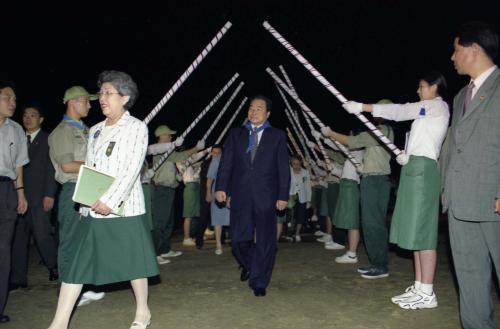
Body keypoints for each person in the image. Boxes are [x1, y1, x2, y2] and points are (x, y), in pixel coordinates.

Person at [47, 70, 159, 329]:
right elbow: (93, 168)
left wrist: (111, 199)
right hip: (92, 207)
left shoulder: (136, 127)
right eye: (102, 94)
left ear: (125, 97)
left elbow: (131, 169)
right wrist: (84, 199)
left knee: (134, 262)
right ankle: (59, 323)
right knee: (77, 264)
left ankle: (143, 311)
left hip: (124, 207)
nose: (102, 99)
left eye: (109, 93)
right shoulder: (95, 130)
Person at [343, 71, 449, 309]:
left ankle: (428, 291)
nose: (418, 91)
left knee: (424, 232)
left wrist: (363, 107)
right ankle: (420, 286)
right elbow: (422, 138)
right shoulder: (427, 112)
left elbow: (401, 111)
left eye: (422, 86)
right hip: (413, 167)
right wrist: (405, 155)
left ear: (434, 87)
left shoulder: (437, 107)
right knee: (414, 231)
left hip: (423, 170)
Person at [443, 21, 500, 328]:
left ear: (474, 49)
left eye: (456, 49)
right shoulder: (460, 95)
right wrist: (445, 189)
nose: (452, 57)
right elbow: (454, 146)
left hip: (494, 200)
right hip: (461, 202)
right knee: (470, 278)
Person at [215, 95, 290, 297]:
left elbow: (283, 168)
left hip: (267, 195)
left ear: (267, 114)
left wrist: (283, 195)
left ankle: (259, 281)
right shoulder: (236, 134)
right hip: (240, 194)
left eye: (259, 108)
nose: (253, 111)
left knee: (266, 240)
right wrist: (221, 187)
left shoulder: (277, 135)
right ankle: (250, 265)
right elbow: (226, 164)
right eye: (251, 108)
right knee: (238, 239)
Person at [322, 100, 394, 279]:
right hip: (371, 179)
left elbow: (353, 141)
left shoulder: (382, 130)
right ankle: (375, 262)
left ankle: (380, 265)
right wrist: (364, 167)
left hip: (375, 181)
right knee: (369, 223)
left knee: (374, 223)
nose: (375, 112)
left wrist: (330, 134)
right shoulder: (381, 131)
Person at [48, 86, 104, 307]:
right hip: (73, 190)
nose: (90, 105)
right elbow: (67, 165)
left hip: (89, 187)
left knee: (88, 241)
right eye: (85, 101)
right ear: (72, 102)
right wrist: (97, 165)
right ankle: (67, 288)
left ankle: (83, 287)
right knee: (71, 241)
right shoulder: (62, 132)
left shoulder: (87, 130)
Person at [11, 104, 58, 290]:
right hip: (17, 197)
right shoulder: (17, 139)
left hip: (39, 196)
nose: (28, 118)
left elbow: (51, 169)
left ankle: (54, 266)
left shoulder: (48, 139)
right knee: (19, 238)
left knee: (42, 234)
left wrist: (49, 194)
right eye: (25, 115)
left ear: (41, 119)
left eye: (33, 115)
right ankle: (18, 278)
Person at [151, 125, 203, 264]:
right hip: (161, 189)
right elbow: (180, 155)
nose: (171, 137)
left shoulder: (168, 151)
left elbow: (180, 157)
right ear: (162, 136)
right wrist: (196, 148)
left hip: (170, 189)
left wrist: (197, 149)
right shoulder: (158, 150)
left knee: (169, 222)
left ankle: (165, 249)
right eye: (169, 135)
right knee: (160, 222)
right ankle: (155, 253)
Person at [0, 81, 29, 324]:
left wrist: (20, 193)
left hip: (7, 191)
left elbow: (19, 163)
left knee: (3, 251)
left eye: (15, 99)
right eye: (8, 97)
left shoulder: (16, 130)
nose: (13, 103)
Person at [332, 149, 364, 264]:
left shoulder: (359, 151)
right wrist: (334, 170)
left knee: (352, 222)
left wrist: (325, 137)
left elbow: (337, 144)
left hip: (351, 186)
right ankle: (351, 252)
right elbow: (347, 172)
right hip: (346, 185)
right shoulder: (352, 154)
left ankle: (352, 254)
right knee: (349, 221)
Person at [206, 145, 229, 255]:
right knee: (217, 219)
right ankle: (218, 244)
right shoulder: (217, 159)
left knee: (234, 219)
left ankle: (237, 244)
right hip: (218, 191)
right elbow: (210, 178)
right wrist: (208, 192)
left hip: (233, 192)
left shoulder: (237, 158)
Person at [288, 155, 312, 242]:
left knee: (300, 217)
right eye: (294, 164)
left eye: (298, 164)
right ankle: (290, 233)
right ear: (291, 163)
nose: (296, 166)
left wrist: (309, 200)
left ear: (301, 163)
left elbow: (307, 186)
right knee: (291, 216)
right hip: (291, 196)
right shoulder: (288, 171)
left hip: (302, 197)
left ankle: (297, 233)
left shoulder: (305, 172)